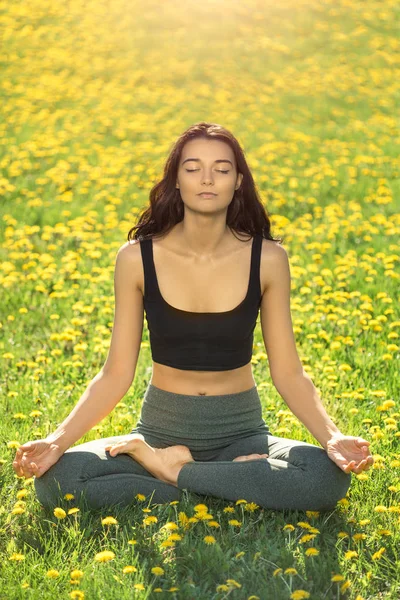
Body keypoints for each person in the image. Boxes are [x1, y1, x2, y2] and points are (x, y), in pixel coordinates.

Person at [13, 122, 374, 513]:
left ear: (238, 181)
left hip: (243, 436)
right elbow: (116, 373)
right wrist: (56, 441)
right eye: (192, 168)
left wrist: (332, 437)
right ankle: (227, 483)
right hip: (158, 433)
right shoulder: (136, 258)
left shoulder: (267, 259)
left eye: (221, 169)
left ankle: (172, 474)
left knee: (325, 477)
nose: (207, 179)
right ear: (176, 181)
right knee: (58, 482)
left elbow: (288, 373)